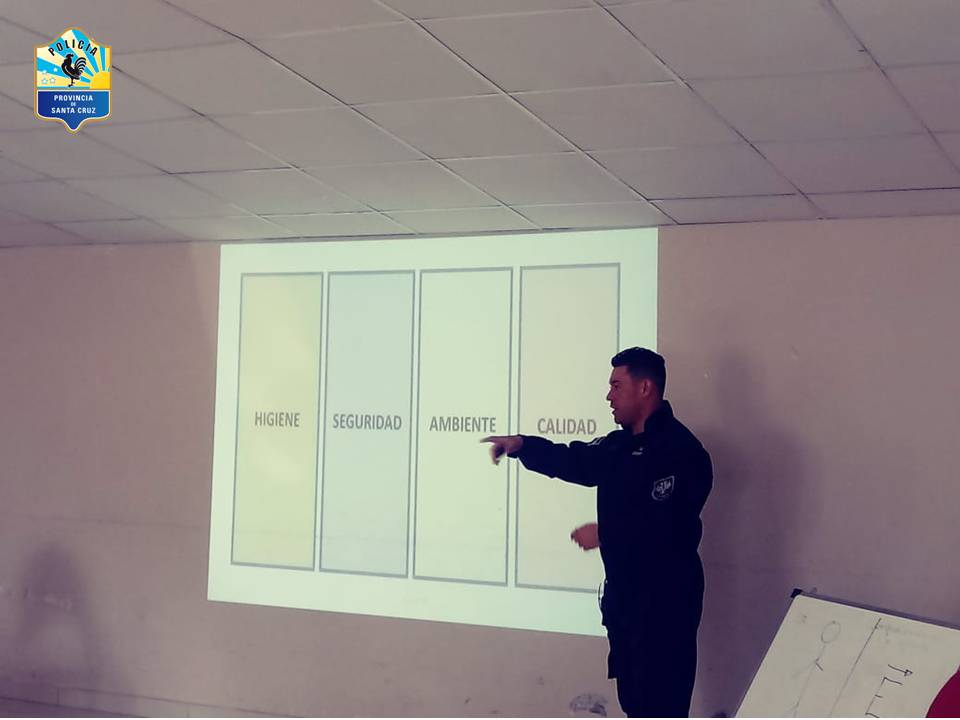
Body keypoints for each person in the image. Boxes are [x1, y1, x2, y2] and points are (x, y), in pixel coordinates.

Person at [482, 347, 712, 718]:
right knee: (634, 704)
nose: (609, 396)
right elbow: (573, 459)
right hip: (625, 604)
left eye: (617, 386)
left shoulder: (683, 452)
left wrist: (608, 534)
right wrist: (523, 446)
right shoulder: (617, 446)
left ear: (645, 388)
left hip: (666, 604)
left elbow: (672, 527)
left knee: (663, 707)